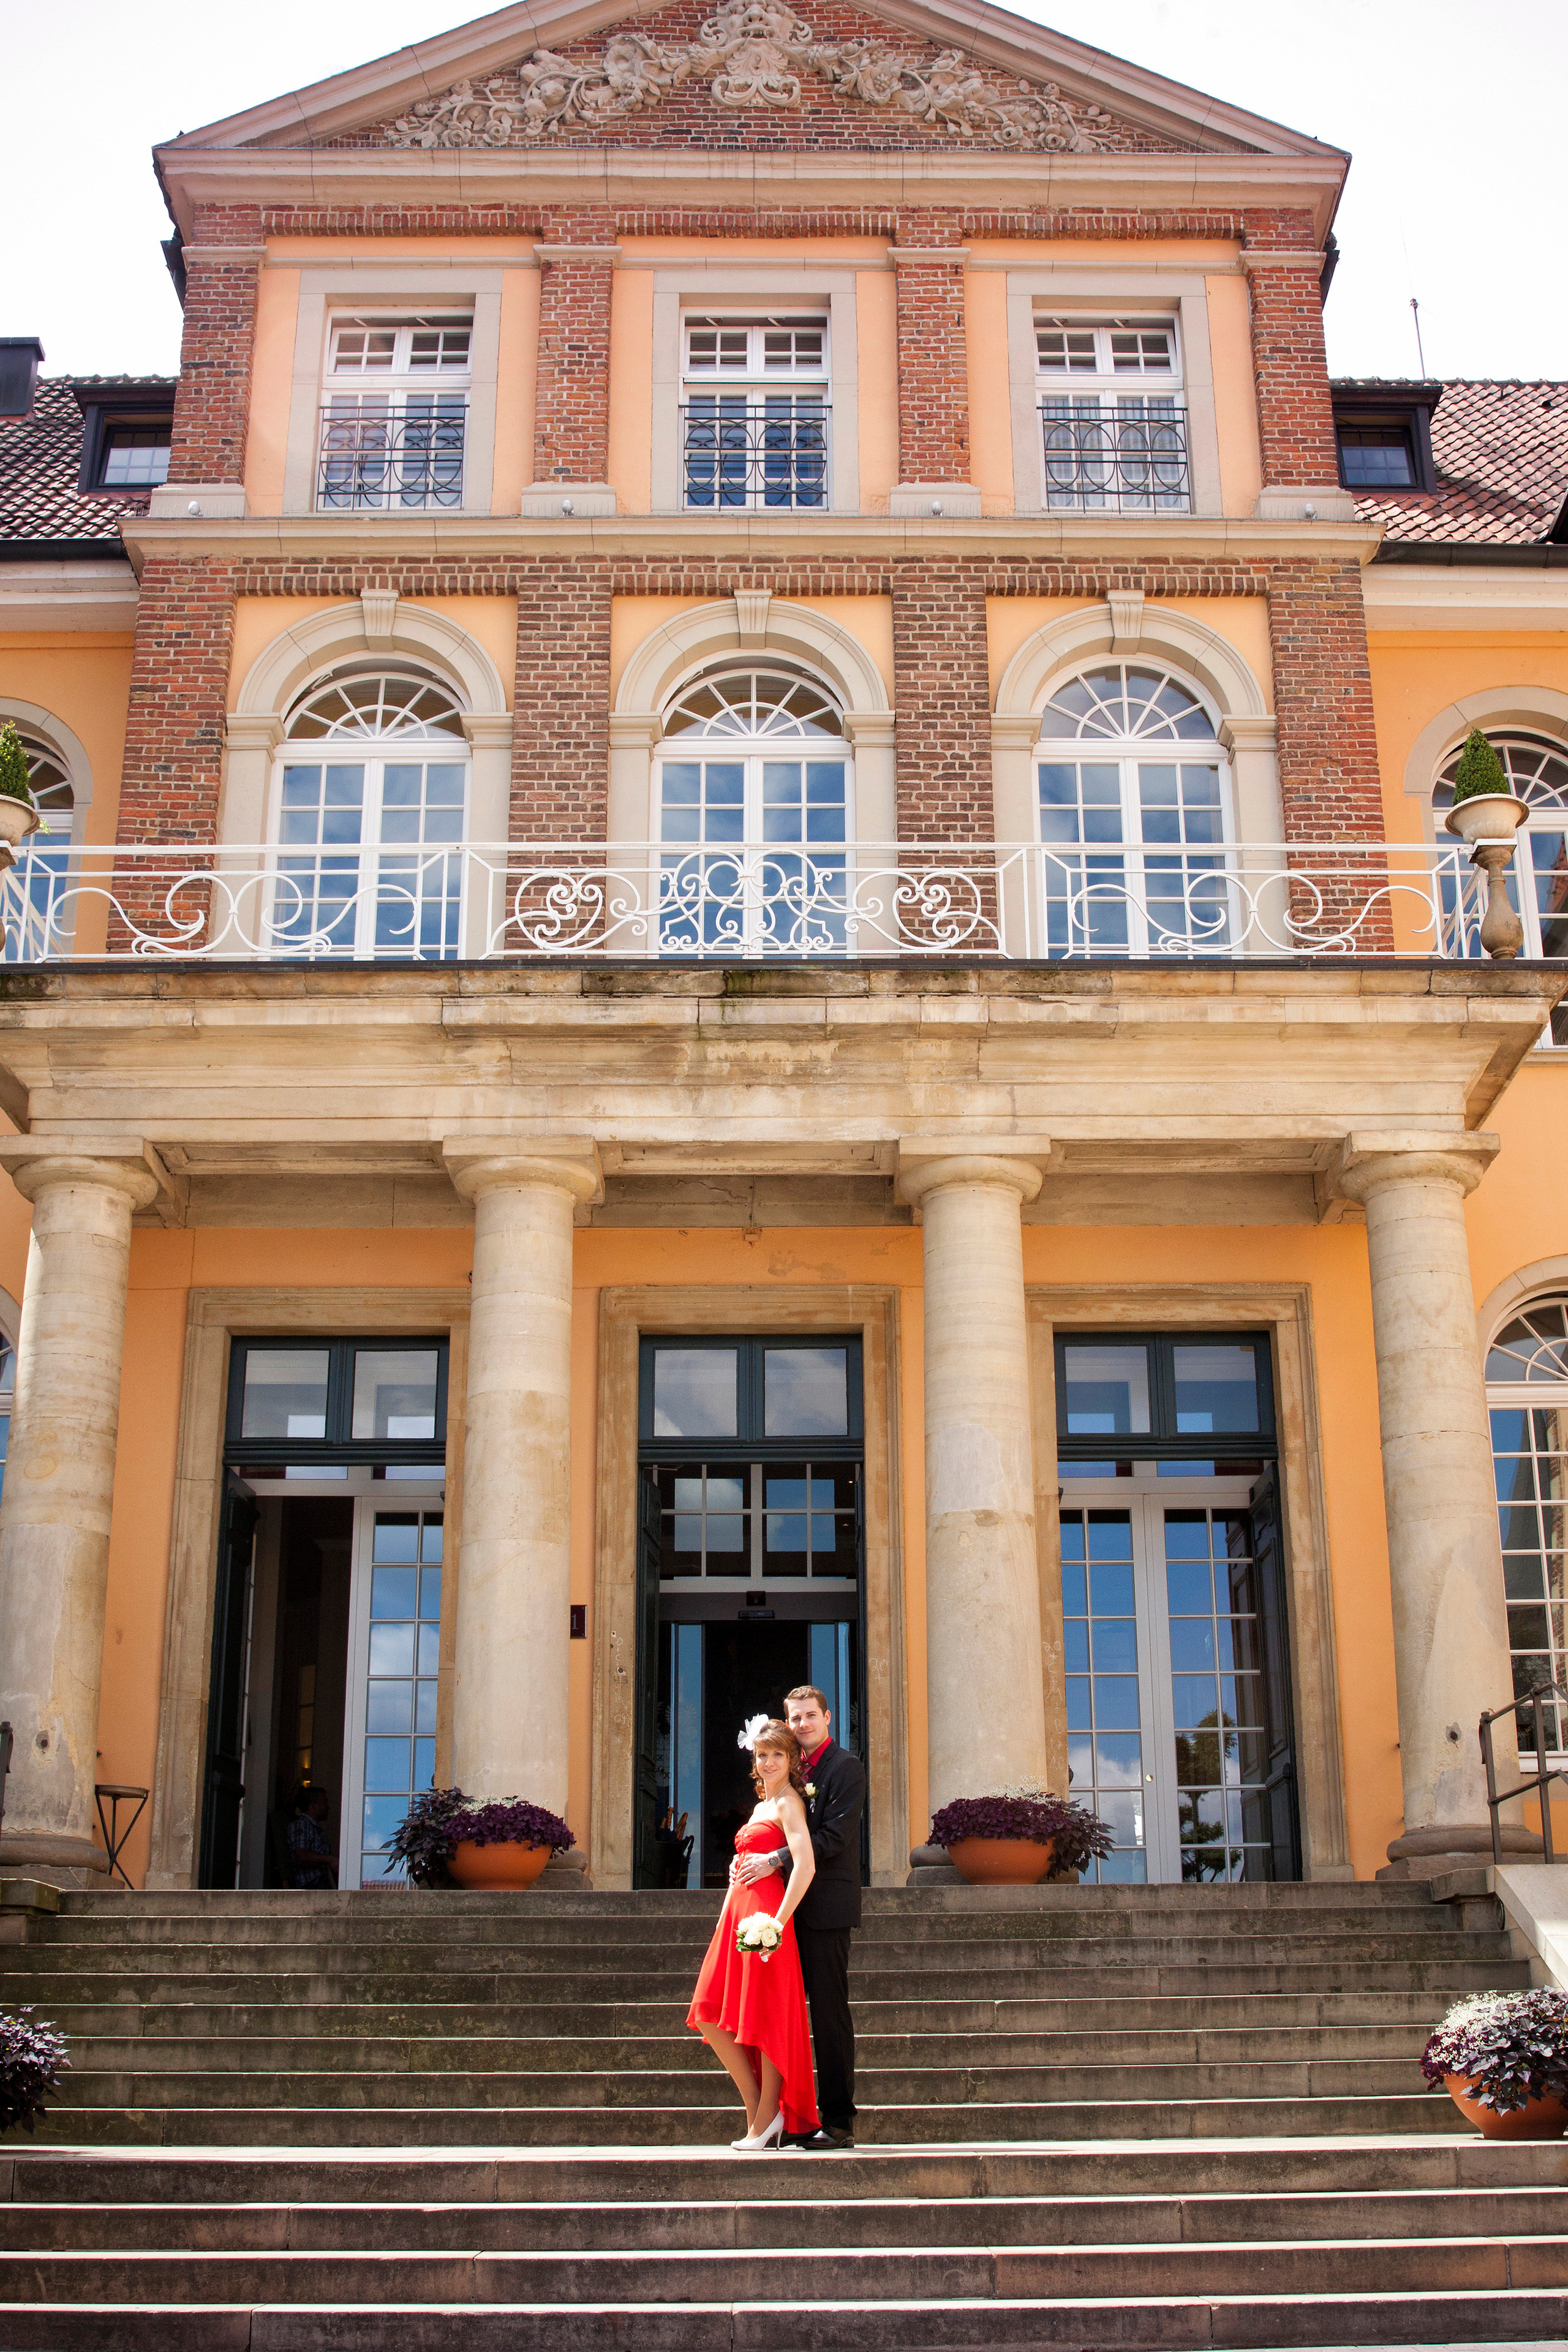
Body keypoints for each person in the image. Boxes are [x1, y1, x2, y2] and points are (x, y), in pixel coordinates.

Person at [734, 1682, 864, 2150]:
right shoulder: (790, 1770)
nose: (803, 1723)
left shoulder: (846, 1768)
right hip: (782, 1909)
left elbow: (834, 1838)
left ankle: (838, 2122)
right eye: (795, 1717)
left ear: (828, 1718)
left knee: (828, 2016)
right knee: (784, 2016)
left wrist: (775, 1859)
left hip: (826, 1910)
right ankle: (790, 2118)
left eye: (811, 1715)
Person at [687, 1718, 818, 2152]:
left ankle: (764, 2120)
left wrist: (778, 1924)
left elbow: (806, 1865)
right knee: (708, 2011)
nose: (768, 1762)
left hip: (766, 1920)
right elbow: (740, 1872)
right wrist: (723, 1923)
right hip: (737, 1918)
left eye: (777, 1755)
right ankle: (759, 2112)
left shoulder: (788, 1804)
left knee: (763, 2021)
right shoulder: (761, 1805)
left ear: (793, 1759)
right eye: (762, 1755)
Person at [285, 1784, 338, 1890]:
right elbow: (301, 1855)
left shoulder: (314, 1827)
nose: (328, 1807)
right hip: (312, 1883)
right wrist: (329, 1859)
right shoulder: (300, 1825)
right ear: (313, 1806)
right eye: (324, 1802)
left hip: (324, 1879)